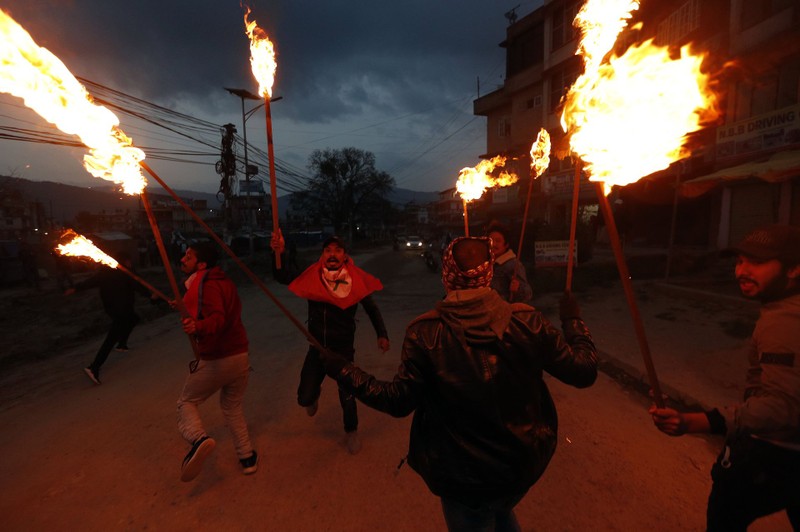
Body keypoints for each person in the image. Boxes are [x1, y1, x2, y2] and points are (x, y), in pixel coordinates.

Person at [316, 237, 598, 530]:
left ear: (446, 275)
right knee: (501, 510)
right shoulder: (529, 321)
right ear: (488, 273)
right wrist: (573, 320)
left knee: (482, 514)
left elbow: (398, 401)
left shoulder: (425, 333)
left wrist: (344, 370)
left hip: (463, 480)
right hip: (519, 468)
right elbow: (584, 370)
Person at [650, 224, 800, 531]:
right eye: (739, 261)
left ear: (794, 268)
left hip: (773, 452)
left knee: (724, 515)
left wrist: (699, 421)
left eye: (756, 263)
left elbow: (782, 408)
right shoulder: (783, 309)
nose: (741, 271)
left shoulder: (784, 322)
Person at [270, 231, 390, 454]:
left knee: (347, 395)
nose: (332, 254)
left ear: (345, 255)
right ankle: (312, 396)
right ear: (322, 255)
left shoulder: (354, 280)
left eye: (337, 250)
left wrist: (381, 334)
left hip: (343, 350)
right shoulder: (312, 275)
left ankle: (351, 431)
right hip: (316, 348)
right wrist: (279, 251)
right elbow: (282, 275)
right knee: (304, 398)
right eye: (328, 250)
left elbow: (371, 308)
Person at [176, 241, 258, 482]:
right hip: (240, 357)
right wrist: (182, 308)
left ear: (201, 264)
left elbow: (217, 318)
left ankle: (199, 440)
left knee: (186, 402)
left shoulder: (209, 285)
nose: (183, 259)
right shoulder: (219, 281)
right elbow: (202, 306)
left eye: (188, 256)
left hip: (219, 359)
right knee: (232, 408)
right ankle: (247, 458)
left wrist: (197, 325)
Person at [65, 252, 154, 384]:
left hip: (114, 309)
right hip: (121, 311)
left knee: (134, 318)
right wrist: (152, 297)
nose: (130, 263)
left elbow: (90, 282)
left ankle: (122, 344)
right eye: (129, 261)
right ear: (125, 261)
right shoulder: (125, 274)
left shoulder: (106, 273)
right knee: (111, 338)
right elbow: (139, 286)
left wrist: (75, 288)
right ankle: (94, 367)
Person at [486, 220, 533, 304]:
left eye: (498, 241)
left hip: (504, 310)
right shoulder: (485, 264)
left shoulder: (513, 264)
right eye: (491, 241)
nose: (493, 244)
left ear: (506, 244)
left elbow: (527, 294)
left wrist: (518, 288)